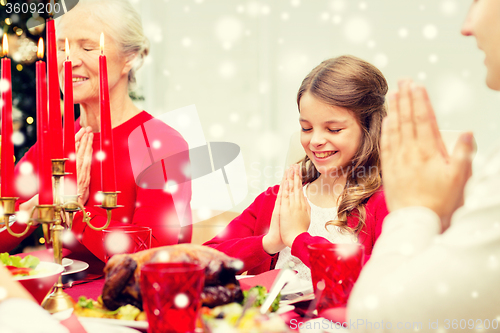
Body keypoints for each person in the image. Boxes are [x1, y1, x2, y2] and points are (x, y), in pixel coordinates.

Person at [347, 0, 500, 331]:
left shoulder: (380, 200)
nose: (467, 24)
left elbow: (379, 317)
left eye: (478, 0)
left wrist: (414, 211)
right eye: (304, 127)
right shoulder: (284, 191)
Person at [1, 0, 192, 262]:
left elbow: (149, 257)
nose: (70, 59)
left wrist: (74, 210)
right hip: (62, 297)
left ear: (129, 58)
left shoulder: (161, 143)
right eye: (61, 47)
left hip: (125, 300)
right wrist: (37, 207)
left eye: (88, 47)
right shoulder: (55, 142)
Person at [205, 55, 389, 280]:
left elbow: (382, 279)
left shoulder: (386, 203)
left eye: (333, 129)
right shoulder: (279, 199)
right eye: (307, 128)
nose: (315, 141)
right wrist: (268, 242)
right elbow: (201, 261)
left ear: (369, 128)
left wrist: (299, 239)